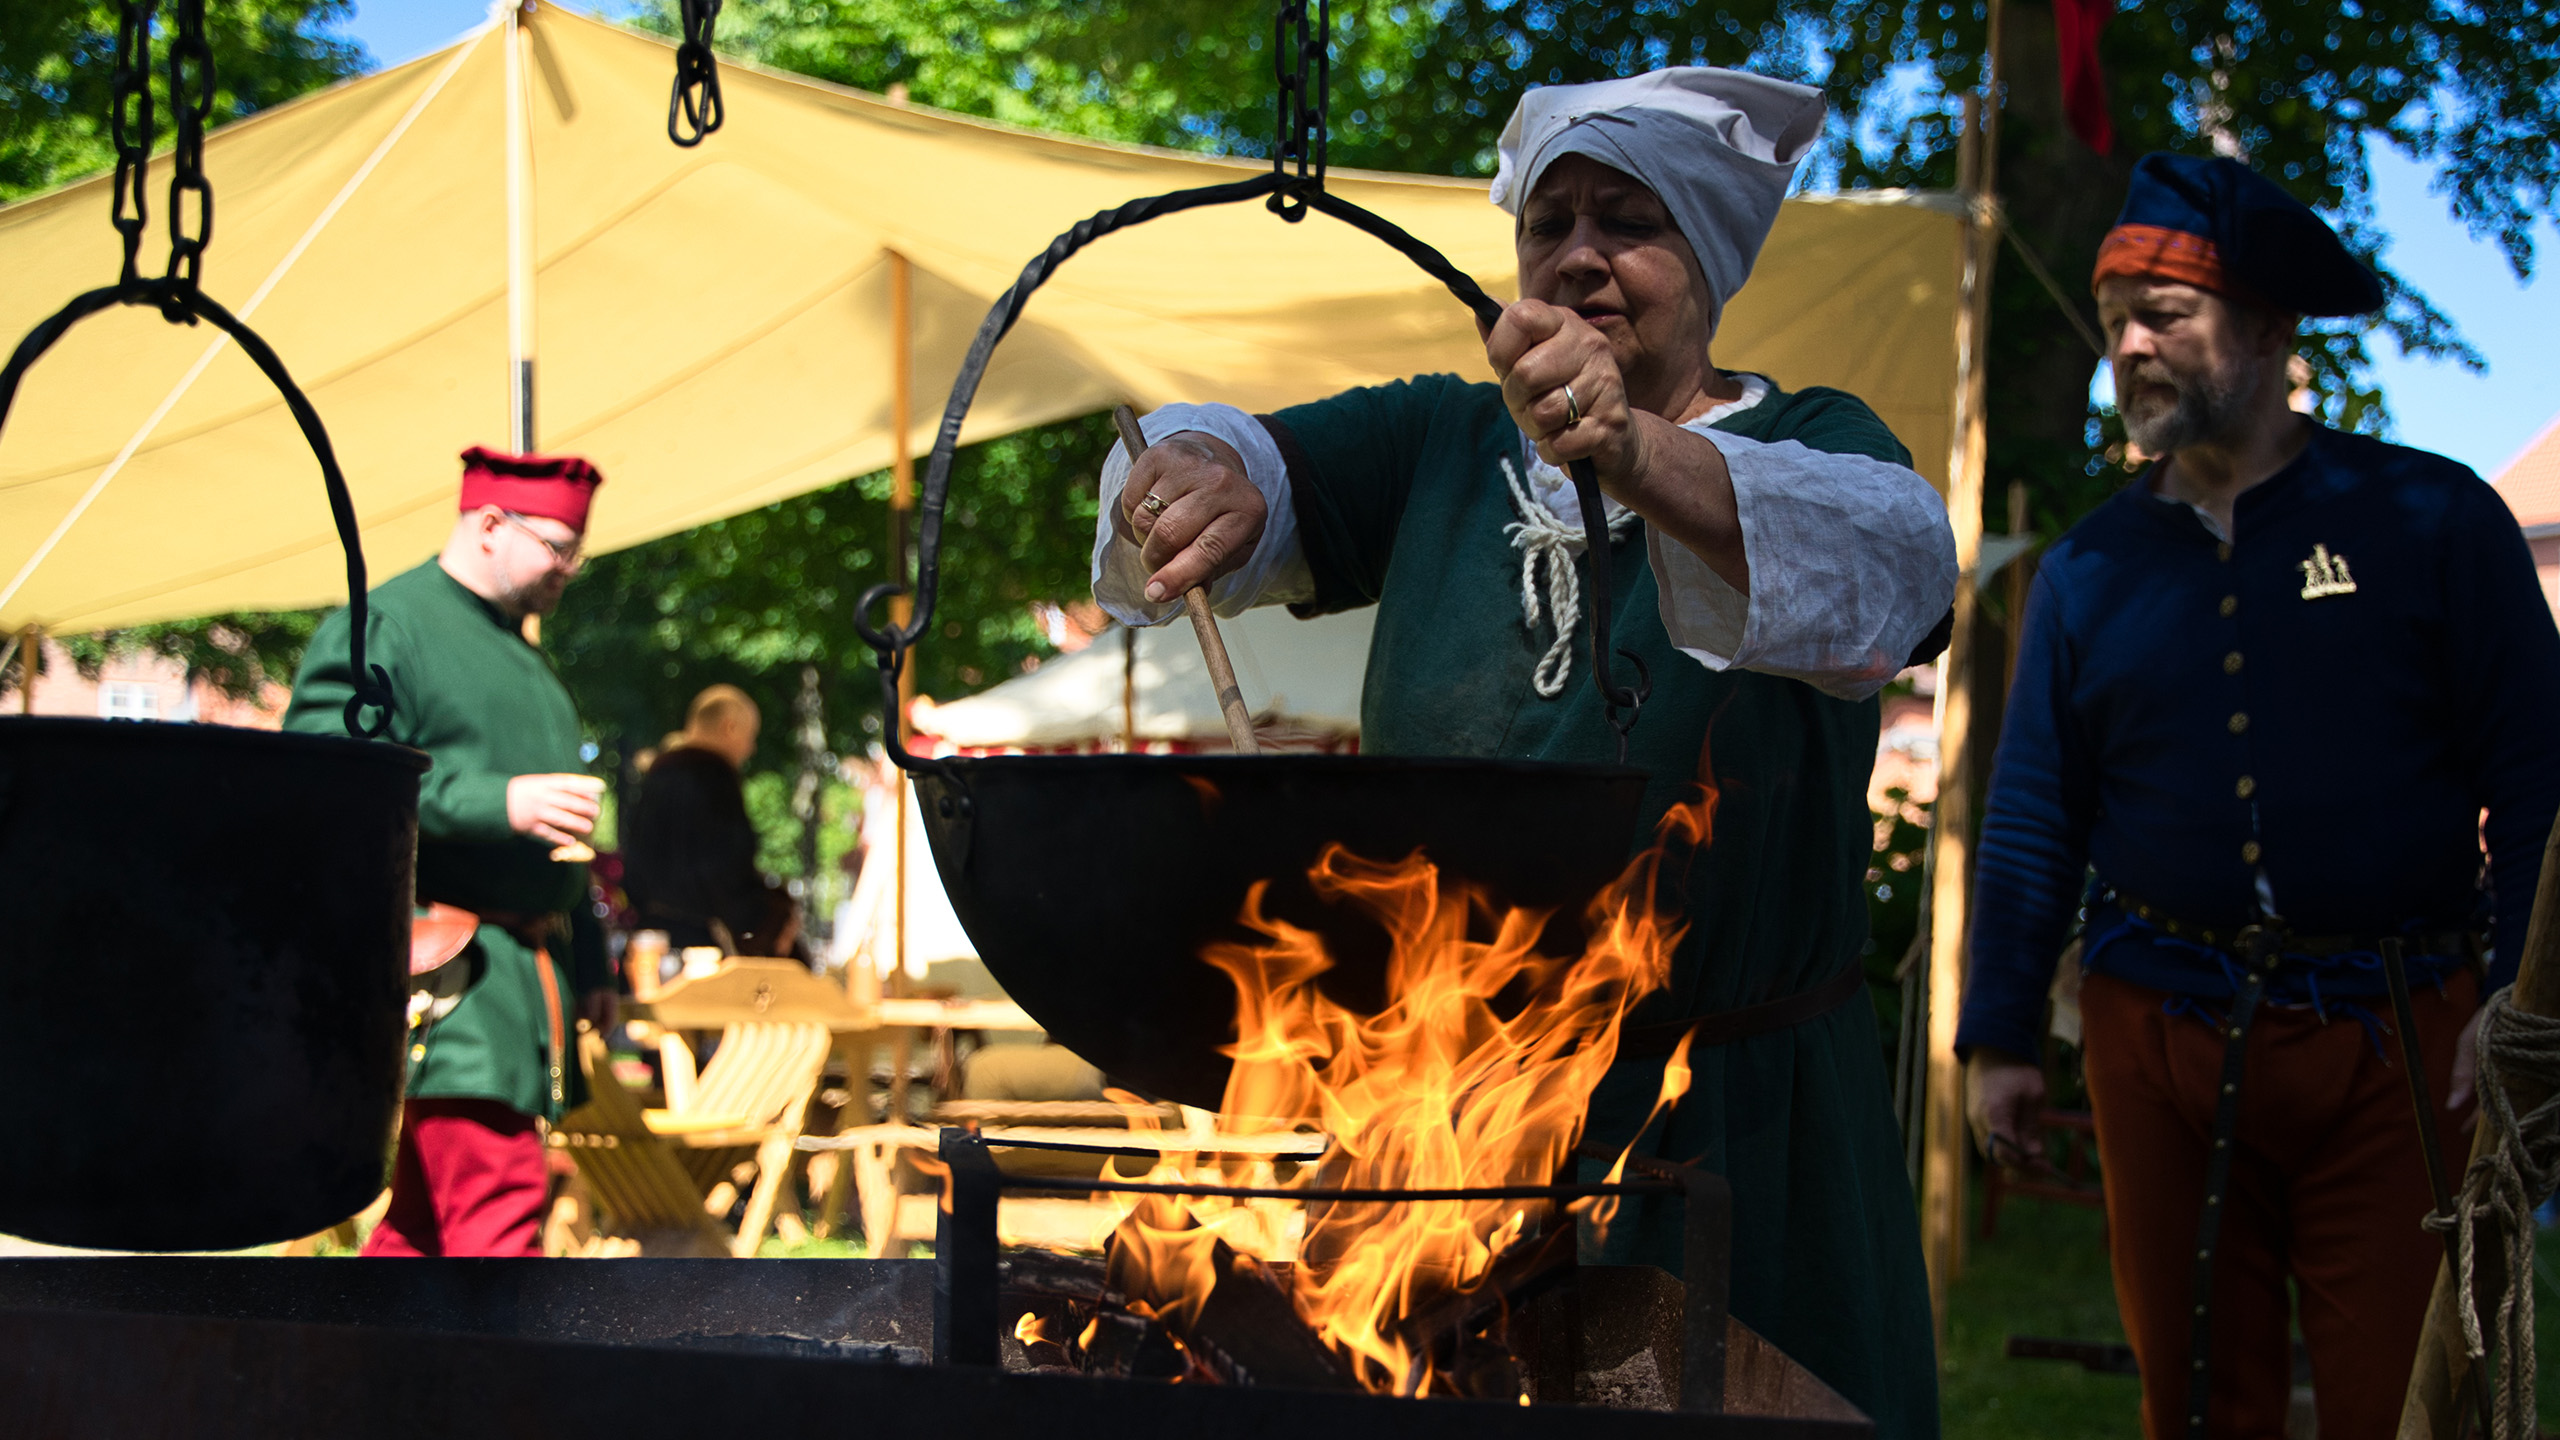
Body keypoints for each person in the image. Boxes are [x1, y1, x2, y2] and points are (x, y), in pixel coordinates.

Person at [1090, 68, 1956, 1435]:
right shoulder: (1440, 437)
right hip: (1444, 1104)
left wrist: (1629, 450)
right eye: (1550, 225)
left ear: (1710, 256)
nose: (1581, 258)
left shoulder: (1806, 445)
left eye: (1629, 222)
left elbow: (1899, 570)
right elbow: (1244, 450)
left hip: (1731, 1115)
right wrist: (1209, 474)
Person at [1958, 153, 2560, 1440]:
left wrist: (2514, 1003)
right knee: (2192, 1407)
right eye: (2116, 315)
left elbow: (2534, 772)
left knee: (2407, 1401)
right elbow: (2030, 817)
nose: (2127, 344)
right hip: (2155, 1037)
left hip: (2398, 1037)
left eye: (2164, 314)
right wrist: (2000, 1036)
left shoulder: (2428, 518)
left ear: (2272, 327)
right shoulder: (2084, 571)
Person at [285, 445, 615, 1258]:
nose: (568, 569)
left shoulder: (526, 657)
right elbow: (325, 779)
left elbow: (563, 852)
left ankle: (339, 1380)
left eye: (577, 550)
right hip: (448, 979)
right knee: (493, 1236)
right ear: (492, 525)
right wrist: (497, 801)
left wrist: (596, 965)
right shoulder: (387, 627)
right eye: (557, 547)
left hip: (524, 978)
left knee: (423, 1236)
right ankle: (506, 1389)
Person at [620, 683, 802, 962]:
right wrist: (775, 911)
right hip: (706, 949)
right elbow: (729, 871)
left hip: (650, 946)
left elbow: (633, 867)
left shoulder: (656, 779)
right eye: (750, 736)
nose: (751, 749)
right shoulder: (715, 778)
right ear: (729, 727)